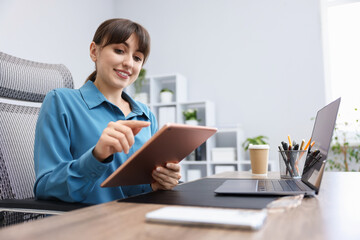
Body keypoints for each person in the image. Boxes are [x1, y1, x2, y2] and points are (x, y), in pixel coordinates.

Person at [33, 18, 181, 204]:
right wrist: (97, 156)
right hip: (88, 226)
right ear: (94, 51)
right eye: (119, 51)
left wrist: (157, 182)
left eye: (137, 58)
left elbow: (129, 188)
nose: (129, 63)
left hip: (136, 220)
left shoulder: (145, 115)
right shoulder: (61, 101)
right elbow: (46, 187)